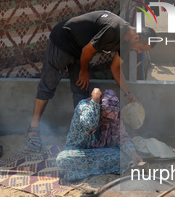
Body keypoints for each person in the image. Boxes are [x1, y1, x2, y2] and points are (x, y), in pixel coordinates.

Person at [26, 10, 155, 151]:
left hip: (79, 50)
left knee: (81, 91)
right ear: (136, 38)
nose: (139, 52)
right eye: (141, 48)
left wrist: (127, 93)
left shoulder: (126, 43)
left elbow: (116, 67)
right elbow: (88, 50)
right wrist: (83, 71)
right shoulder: (114, 29)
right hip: (63, 39)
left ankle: (81, 134)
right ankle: (33, 127)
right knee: (48, 84)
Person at [56, 88, 143, 181]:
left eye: (110, 120)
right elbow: (90, 125)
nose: (107, 122)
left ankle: (85, 171)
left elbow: (120, 136)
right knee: (63, 159)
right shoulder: (84, 106)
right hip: (80, 153)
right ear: (99, 109)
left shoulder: (115, 115)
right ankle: (105, 168)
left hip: (101, 153)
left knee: (126, 155)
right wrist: (95, 100)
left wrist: (132, 153)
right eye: (104, 117)